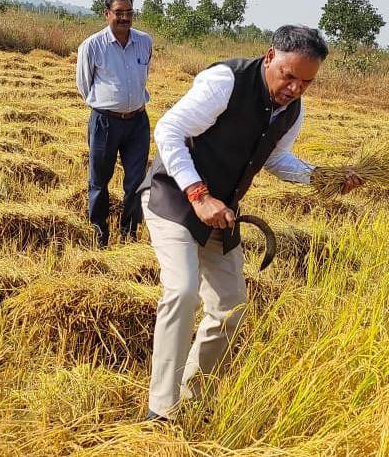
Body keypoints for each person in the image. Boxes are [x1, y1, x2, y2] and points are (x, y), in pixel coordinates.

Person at [139, 25, 363, 421]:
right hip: (175, 198)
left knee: (230, 307)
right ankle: (161, 410)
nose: (294, 88)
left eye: (306, 82)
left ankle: (193, 398)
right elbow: (169, 130)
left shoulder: (293, 110)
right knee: (183, 290)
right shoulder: (225, 81)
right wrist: (199, 195)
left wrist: (321, 176)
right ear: (269, 56)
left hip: (221, 212)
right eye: (289, 76)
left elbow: (276, 158)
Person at [75, 0, 154, 248]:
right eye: (118, 13)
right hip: (105, 122)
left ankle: (129, 234)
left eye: (128, 13)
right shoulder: (92, 45)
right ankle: (99, 235)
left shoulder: (144, 42)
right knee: (99, 181)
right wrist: (107, 105)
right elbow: (84, 85)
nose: (124, 18)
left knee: (136, 182)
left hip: (138, 122)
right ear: (107, 13)